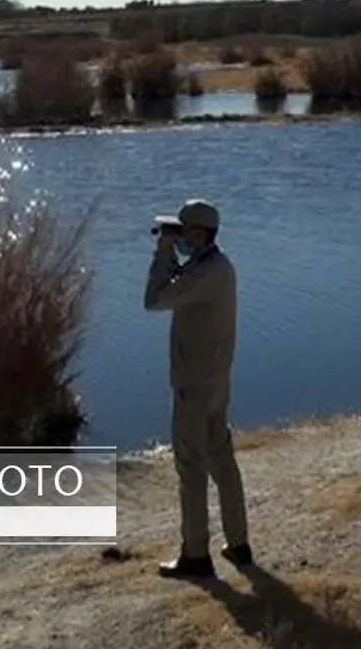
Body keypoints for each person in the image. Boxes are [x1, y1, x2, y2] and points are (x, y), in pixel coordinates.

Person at [143, 198, 252, 578]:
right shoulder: (215, 266)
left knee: (191, 468)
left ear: (198, 233)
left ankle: (195, 555)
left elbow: (154, 301)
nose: (174, 236)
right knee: (221, 459)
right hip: (216, 379)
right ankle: (238, 543)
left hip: (194, 383)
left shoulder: (206, 274)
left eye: (180, 230)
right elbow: (180, 290)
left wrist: (161, 255)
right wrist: (173, 257)